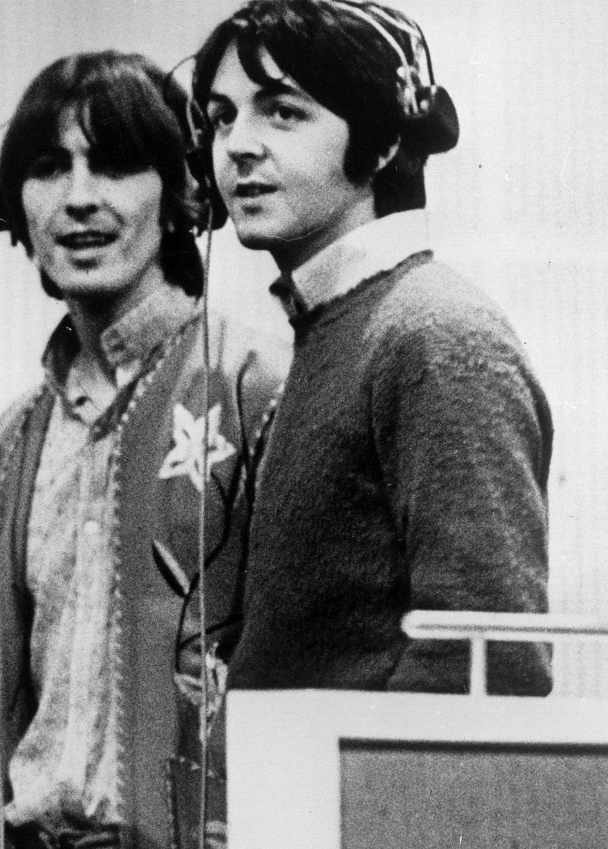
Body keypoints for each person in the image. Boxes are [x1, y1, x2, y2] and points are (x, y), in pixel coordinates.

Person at [0, 52, 288, 849]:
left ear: (182, 194)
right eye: (50, 167)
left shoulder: (259, 389)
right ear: (9, 205)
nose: (80, 197)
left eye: (116, 164)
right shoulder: (15, 440)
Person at [190, 0, 552, 696]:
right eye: (221, 117)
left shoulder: (431, 333)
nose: (236, 145)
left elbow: (487, 663)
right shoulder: (335, 328)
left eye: (282, 111)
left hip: (358, 806)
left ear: (384, 141)